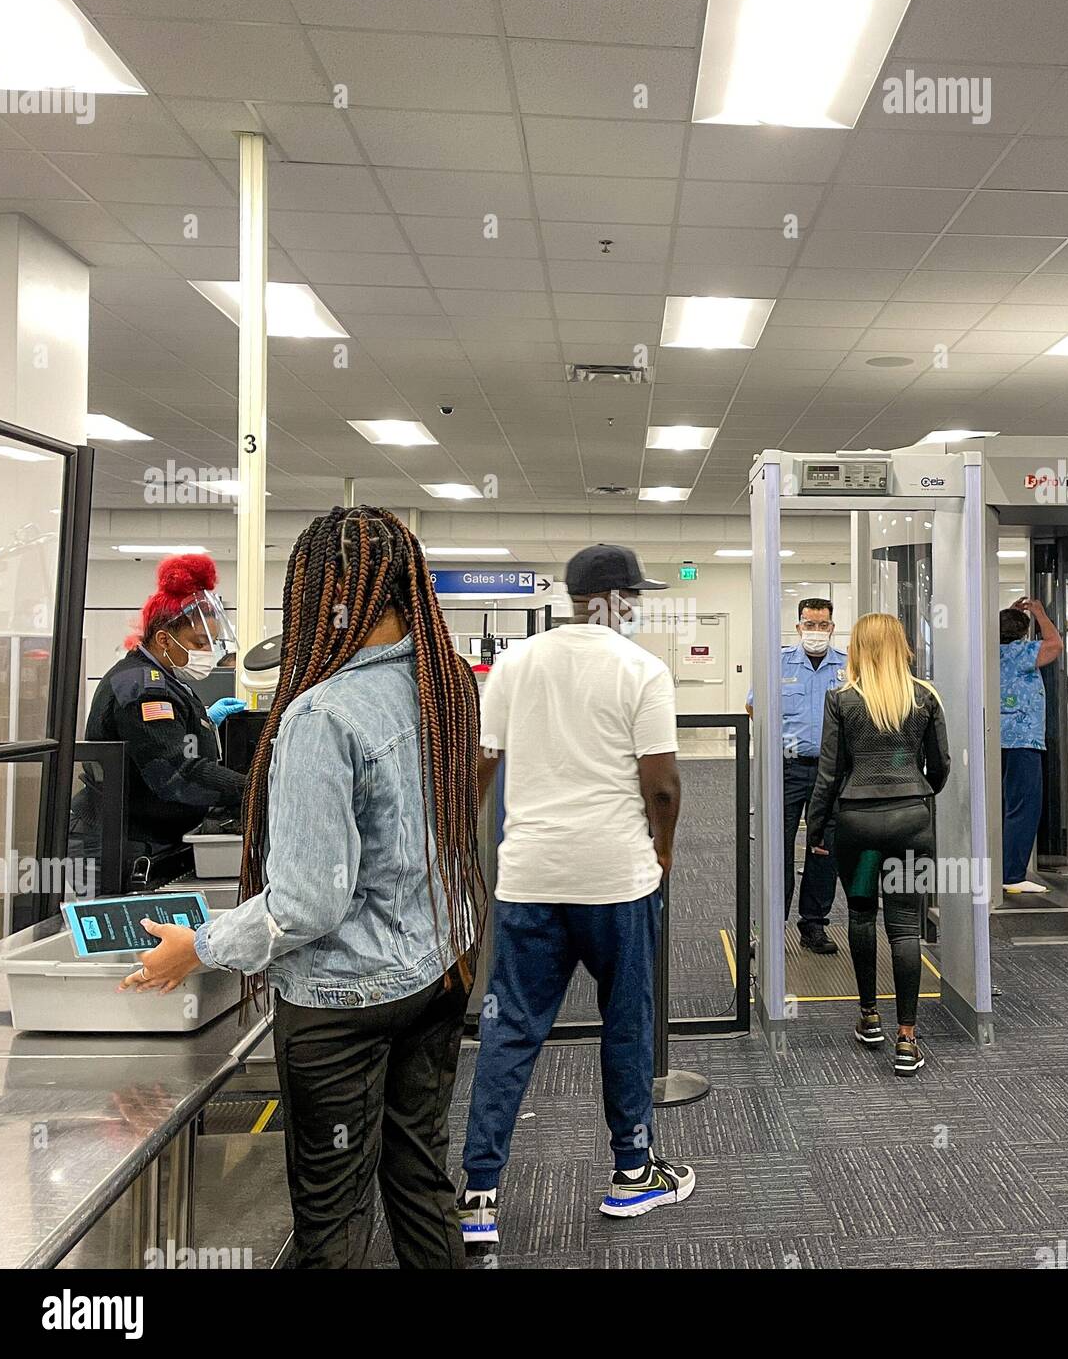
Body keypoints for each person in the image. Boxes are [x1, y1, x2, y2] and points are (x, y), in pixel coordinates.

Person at [119, 508, 486, 1270]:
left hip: (344, 1005)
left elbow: (307, 903)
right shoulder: (445, 683)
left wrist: (201, 947)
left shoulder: (324, 714)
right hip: (436, 968)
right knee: (420, 1181)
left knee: (333, 1220)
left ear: (335, 594)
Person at [458, 543, 692, 1250]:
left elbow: (482, 766)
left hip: (529, 877)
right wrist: (664, 848)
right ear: (617, 599)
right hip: (617, 881)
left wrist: (471, 855)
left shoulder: (514, 665)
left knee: (509, 1030)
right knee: (627, 1024)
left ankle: (478, 1194)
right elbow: (662, 783)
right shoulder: (643, 670)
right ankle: (630, 1175)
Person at [806, 613, 949, 1077]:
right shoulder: (925, 697)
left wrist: (815, 828)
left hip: (859, 825)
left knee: (863, 916)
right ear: (901, 646)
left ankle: (869, 1017)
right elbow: (941, 766)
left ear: (858, 648)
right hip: (912, 821)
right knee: (906, 927)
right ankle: (907, 1039)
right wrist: (915, 792)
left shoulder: (841, 699)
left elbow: (829, 772)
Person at [68, 553, 246, 890]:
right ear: (164, 639)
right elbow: (177, 773)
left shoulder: (166, 680)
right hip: (117, 847)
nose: (208, 652)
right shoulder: (141, 687)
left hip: (147, 842)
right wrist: (251, 788)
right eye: (199, 642)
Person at [746, 597, 847, 954]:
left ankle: (814, 925)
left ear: (832, 627)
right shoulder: (779, 662)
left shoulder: (848, 668)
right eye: (809, 624)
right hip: (788, 769)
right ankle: (772, 926)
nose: (816, 631)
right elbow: (753, 705)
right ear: (798, 625)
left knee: (824, 850)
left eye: (822, 625)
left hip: (831, 772)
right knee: (779, 849)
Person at [999, 597, 1062, 896]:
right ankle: (1012, 874)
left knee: (1000, 808)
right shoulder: (1021, 652)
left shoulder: (989, 652)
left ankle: (997, 868)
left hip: (993, 739)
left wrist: (1011, 616)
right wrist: (1039, 613)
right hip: (1022, 739)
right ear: (1023, 634)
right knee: (1024, 807)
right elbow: (1055, 645)